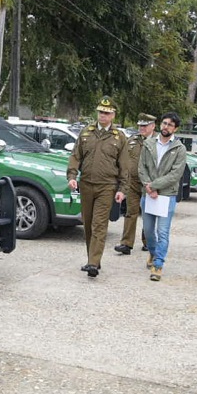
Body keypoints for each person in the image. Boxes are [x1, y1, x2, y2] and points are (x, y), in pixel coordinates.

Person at [67, 96, 127, 277]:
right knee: (88, 224)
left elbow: (125, 165)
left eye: (107, 113)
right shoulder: (86, 133)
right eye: (101, 112)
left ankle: (92, 263)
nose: (103, 116)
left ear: (113, 115)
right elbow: (76, 156)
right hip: (86, 184)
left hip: (107, 186)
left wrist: (123, 189)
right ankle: (93, 259)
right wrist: (72, 175)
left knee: (99, 224)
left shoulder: (119, 137)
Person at [138, 111, 187, 281]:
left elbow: (176, 174)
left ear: (176, 129)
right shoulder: (149, 144)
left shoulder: (179, 149)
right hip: (148, 194)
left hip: (167, 196)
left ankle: (158, 265)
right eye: (165, 123)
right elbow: (141, 168)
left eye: (170, 125)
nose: (166, 127)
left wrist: (155, 185)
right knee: (149, 231)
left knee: (163, 231)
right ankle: (152, 252)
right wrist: (148, 186)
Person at [114, 114, 156, 256]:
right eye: (140, 125)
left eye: (145, 125)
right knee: (130, 212)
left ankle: (148, 242)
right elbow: (125, 161)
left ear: (153, 126)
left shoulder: (158, 141)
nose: (142, 128)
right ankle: (126, 243)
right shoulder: (132, 140)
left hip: (149, 184)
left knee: (148, 214)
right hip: (132, 182)